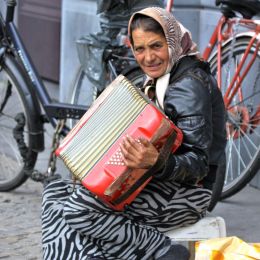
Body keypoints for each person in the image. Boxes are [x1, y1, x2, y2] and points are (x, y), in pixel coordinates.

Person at [42, 7, 226, 260]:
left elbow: (199, 166)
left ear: (172, 41)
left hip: (187, 194)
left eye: (156, 46)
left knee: (77, 211)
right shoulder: (151, 80)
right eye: (139, 49)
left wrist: (158, 163)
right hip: (149, 183)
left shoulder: (188, 85)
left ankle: (161, 250)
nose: (148, 57)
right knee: (55, 194)